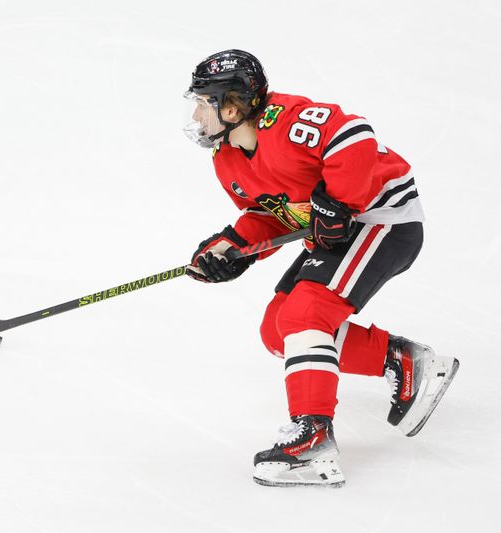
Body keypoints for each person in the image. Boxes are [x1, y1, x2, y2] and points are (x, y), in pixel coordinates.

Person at [183, 50, 460, 488]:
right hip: (339, 233)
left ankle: (311, 438)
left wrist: (342, 203)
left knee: (305, 314)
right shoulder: (227, 157)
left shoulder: (286, 121)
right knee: (278, 332)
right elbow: (274, 213)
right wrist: (232, 248)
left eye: (202, 101)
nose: (196, 113)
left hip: (381, 220)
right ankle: (404, 362)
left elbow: (354, 136)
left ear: (232, 107)